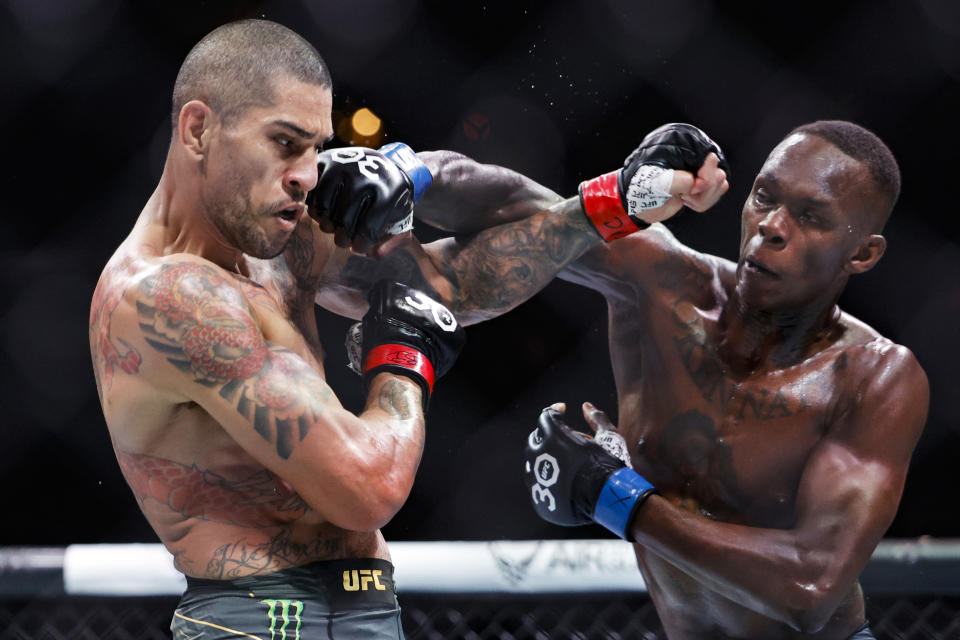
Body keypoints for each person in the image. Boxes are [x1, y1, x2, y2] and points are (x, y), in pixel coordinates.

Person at [88, 18, 719, 640]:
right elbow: (367, 487)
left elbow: (450, 285)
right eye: (284, 143)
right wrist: (402, 354)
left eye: (315, 147)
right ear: (199, 129)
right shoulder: (168, 295)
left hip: (367, 610)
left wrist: (609, 204)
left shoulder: (276, 243)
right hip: (259, 621)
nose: (307, 174)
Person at [415, 121, 929, 638]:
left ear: (862, 254)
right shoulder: (663, 284)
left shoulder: (876, 376)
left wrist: (610, 495)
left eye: (810, 216)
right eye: (763, 197)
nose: (771, 225)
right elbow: (516, 204)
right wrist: (408, 172)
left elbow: (811, 588)